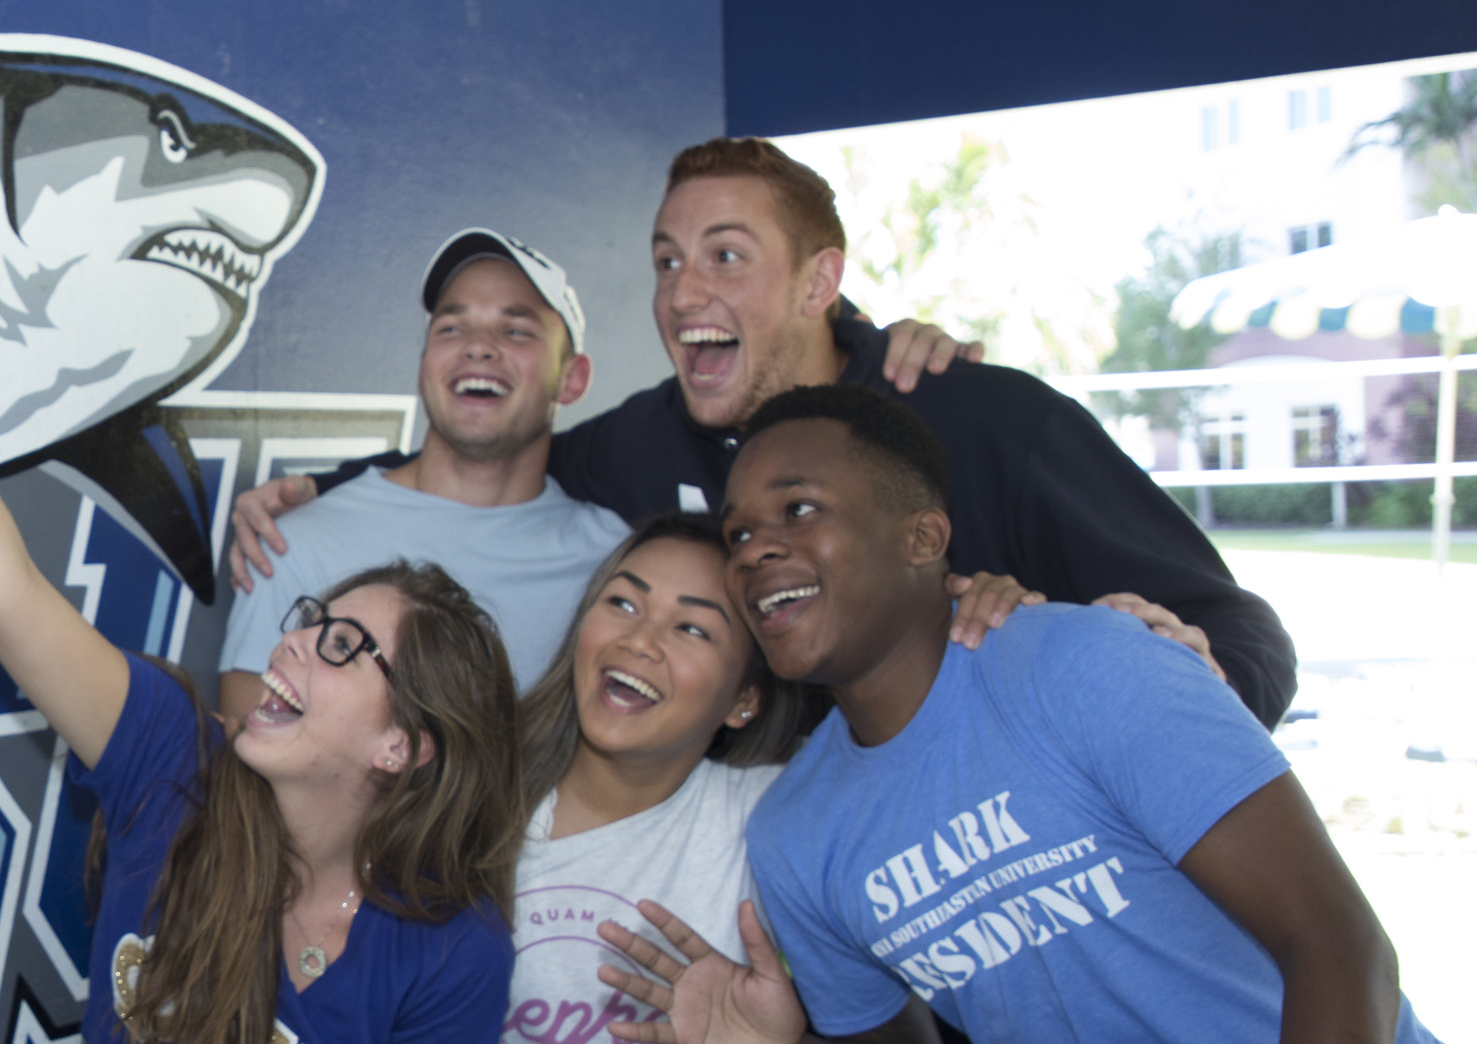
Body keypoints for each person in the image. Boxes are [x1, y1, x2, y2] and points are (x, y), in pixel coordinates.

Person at [226, 137, 1297, 728]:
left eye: (727, 256)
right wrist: (325, 491)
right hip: (814, 920)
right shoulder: (642, 446)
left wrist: (1185, 685)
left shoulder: (986, 418)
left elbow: (1239, 633)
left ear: (821, 281)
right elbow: (493, 451)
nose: (684, 289)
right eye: (665, 260)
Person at [0, 189, 523, 1044]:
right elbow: (1, 590)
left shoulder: (455, 949)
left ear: (405, 748)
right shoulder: (170, 765)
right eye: (311, 619)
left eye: (344, 647)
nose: (296, 640)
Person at [591, 383, 1453, 1044]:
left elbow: (1339, 947)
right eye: (739, 532)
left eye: (800, 510)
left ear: (924, 538)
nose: (756, 548)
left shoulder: (1090, 666)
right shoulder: (796, 835)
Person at [219, 229, 629, 713]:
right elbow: (245, 753)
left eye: (516, 330)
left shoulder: (615, 567)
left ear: (572, 377)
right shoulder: (296, 542)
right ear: (423, 364)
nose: (478, 347)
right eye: (451, 328)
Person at [501, 511, 837, 1044]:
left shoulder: (772, 815)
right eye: (623, 604)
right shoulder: (468, 784)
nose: (640, 641)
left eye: (692, 629)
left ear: (743, 699)